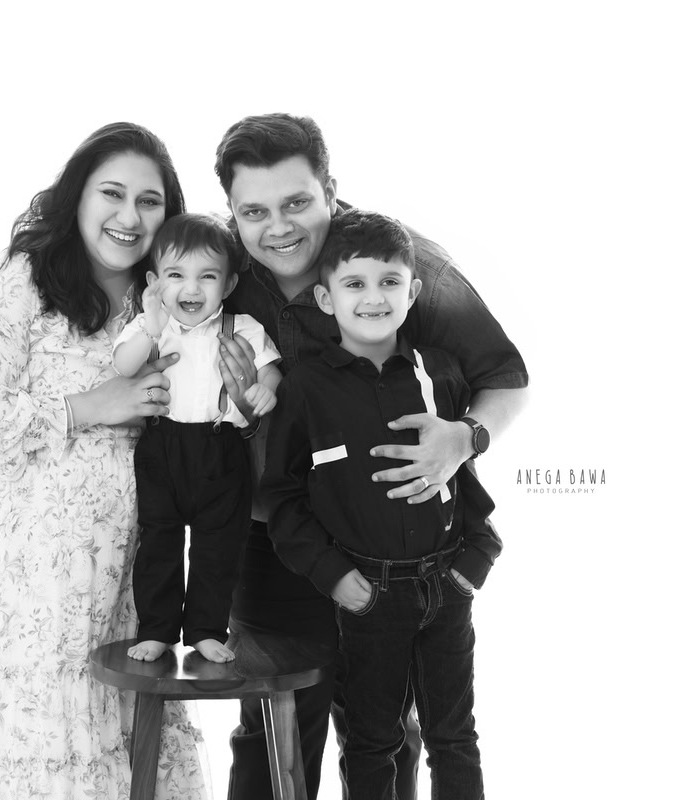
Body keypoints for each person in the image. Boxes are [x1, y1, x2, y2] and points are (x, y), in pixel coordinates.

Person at [212, 113, 529, 800]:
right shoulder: (225, 266)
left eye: (298, 202)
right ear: (232, 214)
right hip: (277, 532)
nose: (279, 228)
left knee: (383, 733)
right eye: (254, 212)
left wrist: (463, 438)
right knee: (272, 728)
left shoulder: (402, 264)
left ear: (331, 188)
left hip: (394, 543)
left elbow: (506, 378)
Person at [0, 122, 209, 800]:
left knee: (125, 712)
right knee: (44, 726)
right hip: (30, 574)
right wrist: (92, 405)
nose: (129, 216)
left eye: (150, 201)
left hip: (129, 560)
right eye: (112, 193)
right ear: (77, 195)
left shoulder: (166, 293)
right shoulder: (21, 279)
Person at [263, 208, 497, 799]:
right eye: (354, 284)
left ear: (413, 292)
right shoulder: (306, 390)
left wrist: (475, 564)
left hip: (446, 589)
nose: (374, 298)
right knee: (371, 742)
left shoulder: (437, 375)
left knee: (454, 737)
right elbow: (284, 499)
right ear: (325, 297)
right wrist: (336, 578)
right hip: (368, 599)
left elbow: (463, 477)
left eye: (389, 282)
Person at [112, 213, 282, 664]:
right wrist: (149, 324)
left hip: (220, 449)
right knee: (159, 541)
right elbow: (126, 367)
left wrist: (267, 387)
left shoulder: (242, 327)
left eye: (207, 277)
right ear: (154, 282)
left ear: (227, 286)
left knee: (219, 546)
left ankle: (207, 630)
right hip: (161, 447)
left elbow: (270, 369)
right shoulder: (151, 327)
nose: (191, 290)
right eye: (175, 276)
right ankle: (157, 630)